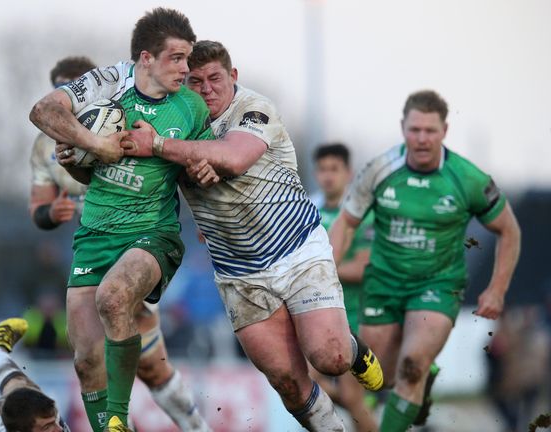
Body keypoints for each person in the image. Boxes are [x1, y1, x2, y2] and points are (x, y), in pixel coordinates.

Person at [121, 40, 383, 431]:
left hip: (296, 251)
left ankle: (353, 349)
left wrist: (166, 148)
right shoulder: (174, 121)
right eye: (195, 81)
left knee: (331, 359)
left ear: (233, 77)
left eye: (215, 79)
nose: (206, 89)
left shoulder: (253, 107)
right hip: (238, 273)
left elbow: (234, 156)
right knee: (287, 383)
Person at [29, 9, 214, 432]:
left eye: (188, 59)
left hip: (153, 234)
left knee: (114, 300)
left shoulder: (191, 109)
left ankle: (121, 417)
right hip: (95, 235)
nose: (186, 69)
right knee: (86, 358)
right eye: (177, 59)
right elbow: (43, 113)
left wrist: (205, 177)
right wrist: (91, 148)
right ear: (145, 59)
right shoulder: (107, 87)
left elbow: (200, 169)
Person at [328, 90, 522, 432]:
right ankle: (422, 380)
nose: (421, 139)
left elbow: (509, 229)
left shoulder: (467, 178)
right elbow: (346, 222)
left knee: (412, 365)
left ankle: (419, 371)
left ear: (444, 131)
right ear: (403, 128)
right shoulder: (379, 169)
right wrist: (326, 275)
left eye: (430, 131)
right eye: (415, 130)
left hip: (437, 285)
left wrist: (497, 288)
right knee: (378, 379)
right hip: (384, 284)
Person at [313, 143, 378, 432]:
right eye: (323, 169)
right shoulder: (309, 212)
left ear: (348, 173)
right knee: (306, 387)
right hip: (318, 320)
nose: (328, 176)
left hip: (358, 318)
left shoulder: (361, 215)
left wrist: (319, 271)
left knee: (352, 397)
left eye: (334, 169)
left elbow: (367, 267)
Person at [0, 318, 69, 432]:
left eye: (54, 422)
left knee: (23, 390)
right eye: (47, 427)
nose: (59, 430)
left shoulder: (57, 425)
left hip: (6, 414)